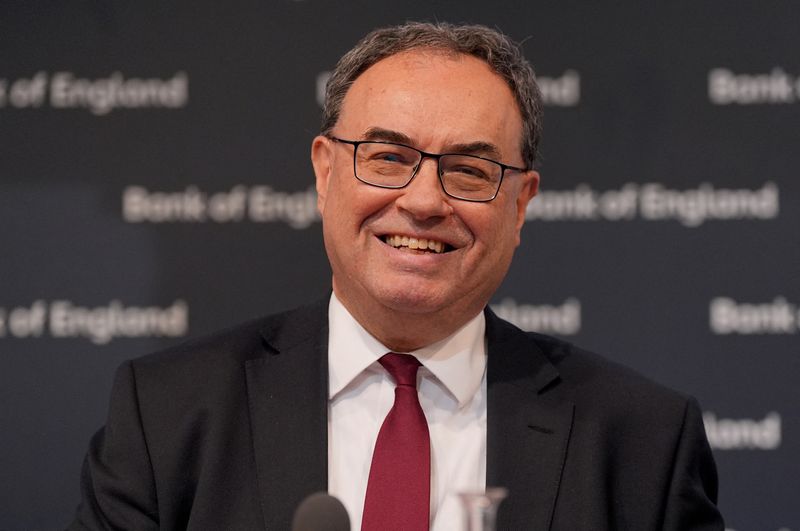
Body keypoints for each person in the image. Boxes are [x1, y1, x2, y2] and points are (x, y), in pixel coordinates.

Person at [69, 21, 724, 530]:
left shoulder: (640, 442)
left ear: (520, 204)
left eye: (469, 170)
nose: (424, 200)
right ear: (326, 172)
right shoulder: (168, 416)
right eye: (387, 158)